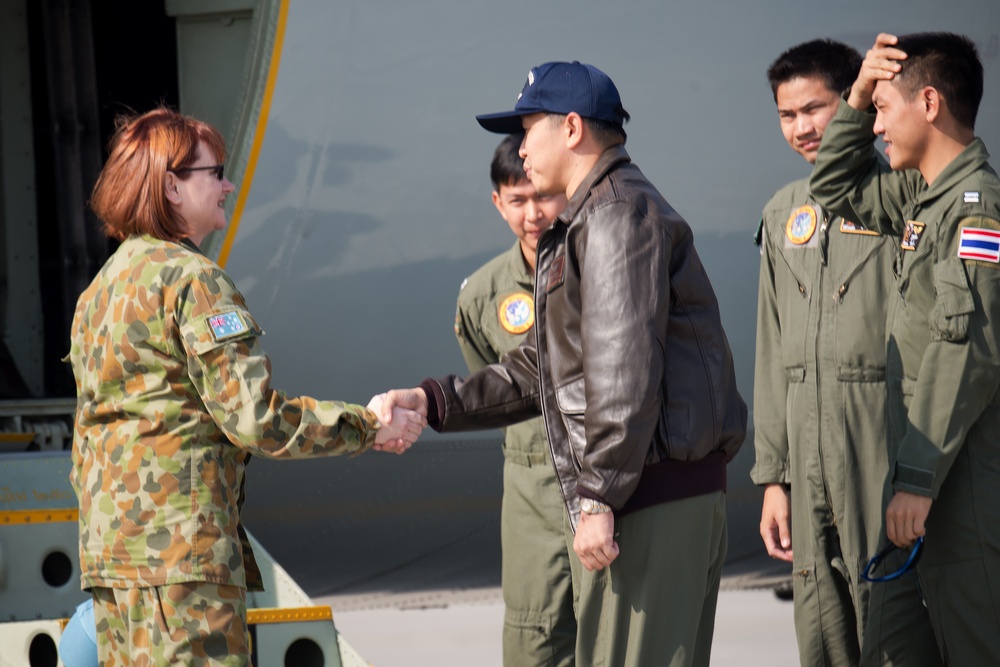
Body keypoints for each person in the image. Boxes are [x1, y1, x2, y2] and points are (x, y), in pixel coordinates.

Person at [380, 61, 747, 666]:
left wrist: (598, 497)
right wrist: (434, 401)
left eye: (529, 129)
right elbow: (545, 368)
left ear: (571, 128)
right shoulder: (594, 217)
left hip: (644, 501)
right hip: (647, 493)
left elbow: (623, 369)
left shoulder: (610, 217)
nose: (521, 148)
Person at [66, 107, 424, 666]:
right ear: (171, 187)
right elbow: (254, 419)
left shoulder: (99, 292)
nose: (228, 184)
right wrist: (368, 426)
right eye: (215, 172)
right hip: (179, 563)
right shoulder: (193, 281)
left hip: (113, 560)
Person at [809, 32, 1000, 665]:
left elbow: (964, 353)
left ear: (928, 102)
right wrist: (858, 95)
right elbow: (833, 187)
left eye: (883, 108)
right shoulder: (921, 196)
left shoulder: (977, 215)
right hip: (914, 477)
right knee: (890, 649)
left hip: (958, 484)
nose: (875, 125)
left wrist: (916, 482)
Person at [752, 40, 939, 666]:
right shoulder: (782, 213)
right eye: (786, 115)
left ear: (856, 105)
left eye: (816, 108)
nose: (802, 127)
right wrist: (773, 476)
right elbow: (772, 346)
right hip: (805, 442)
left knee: (888, 604)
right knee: (821, 614)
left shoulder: (903, 195)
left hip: (878, 432)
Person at [454, 135, 576, 666]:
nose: (533, 213)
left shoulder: (602, 268)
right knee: (534, 634)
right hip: (530, 486)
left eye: (542, 197)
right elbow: (490, 388)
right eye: (517, 200)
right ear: (498, 203)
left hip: (604, 477)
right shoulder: (481, 296)